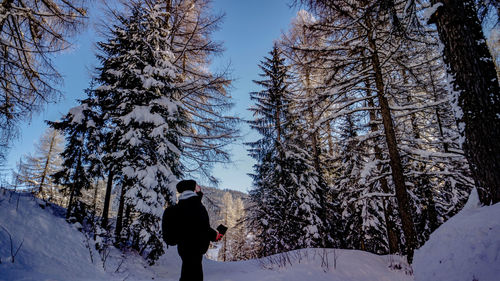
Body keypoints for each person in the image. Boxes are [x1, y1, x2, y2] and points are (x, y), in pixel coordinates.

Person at [172, 179, 223, 281]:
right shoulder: (198, 208)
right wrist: (215, 235)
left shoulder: (181, 206)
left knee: (187, 272)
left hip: (183, 248)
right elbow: (202, 227)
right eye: (197, 186)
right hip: (196, 248)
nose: (199, 187)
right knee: (194, 275)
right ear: (193, 190)